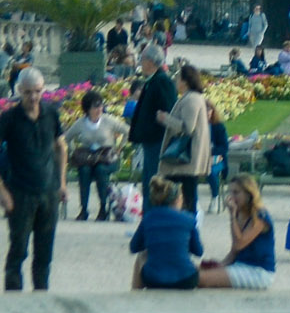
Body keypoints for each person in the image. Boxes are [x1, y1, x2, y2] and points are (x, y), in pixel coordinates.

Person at [0, 68, 67, 291]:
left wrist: (63, 182)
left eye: (38, 91)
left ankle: (41, 301)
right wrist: (3, 192)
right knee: (18, 251)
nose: (33, 97)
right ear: (19, 91)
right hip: (20, 193)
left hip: (48, 192)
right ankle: (13, 306)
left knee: (44, 254)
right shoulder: (9, 118)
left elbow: (61, 146)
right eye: (28, 92)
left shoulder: (51, 114)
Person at [196, 173, 277, 290]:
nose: (231, 197)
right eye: (230, 192)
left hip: (258, 271)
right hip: (240, 265)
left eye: (236, 192)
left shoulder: (260, 216)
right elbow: (234, 251)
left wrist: (232, 216)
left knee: (200, 278)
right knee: (193, 270)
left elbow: (239, 244)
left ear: (249, 194)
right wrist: (219, 265)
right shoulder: (241, 213)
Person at [156, 64, 215, 213]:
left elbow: (188, 128)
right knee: (185, 196)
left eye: (178, 78)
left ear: (185, 81)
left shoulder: (191, 99)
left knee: (186, 198)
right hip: (187, 158)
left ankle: (187, 230)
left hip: (186, 157)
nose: (176, 81)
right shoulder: (191, 97)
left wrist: (165, 118)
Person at [128, 175, 203, 291]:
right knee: (187, 261)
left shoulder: (148, 218)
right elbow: (198, 251)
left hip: (153, 279)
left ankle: (135, 296)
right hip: (185, 279)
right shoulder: (189, 218)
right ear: (178, 199)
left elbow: (134, 247)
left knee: (141, 256)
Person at [65, 88, 128, 222]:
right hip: (88, 158)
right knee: (84, 171)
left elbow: (127, 131)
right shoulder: (80, 123)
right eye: (95, 106)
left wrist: (119, 148)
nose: (99, 109)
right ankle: (83, 209)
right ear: (87, 109)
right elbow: (66, 137)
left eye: (100, 105)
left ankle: (103, 208)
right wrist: (73, 151)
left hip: (107, 158)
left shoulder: (109, 120)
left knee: (100, 170)